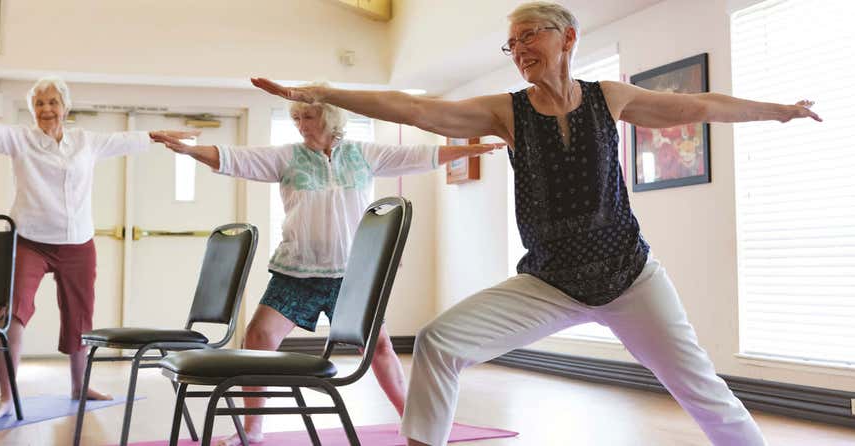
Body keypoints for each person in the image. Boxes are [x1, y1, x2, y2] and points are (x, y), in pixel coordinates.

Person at [249, 2, 822, 445]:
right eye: (512, 41)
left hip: (631, 276)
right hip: (549, 282)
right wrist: (321, 93)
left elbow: (698, 107)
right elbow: (415, 109)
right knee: (439, 341)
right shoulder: (507, 111)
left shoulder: (610, 98)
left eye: (530, 35)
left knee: (699, 388)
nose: (519, 48)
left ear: (567, 37)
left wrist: (779, 110)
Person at [151, 86, 501, 445]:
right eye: (297, 118)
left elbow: (417, 155)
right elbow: (235, 158)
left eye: (310, 116)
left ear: (332, 118)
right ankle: (253, 430)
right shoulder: (287, 157)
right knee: (258, 338)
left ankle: (415, 422)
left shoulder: (363, 154)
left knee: (378, 348)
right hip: (296, 272)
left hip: (351, 278)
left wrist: (472, 148)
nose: (302, 124)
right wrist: (189, 150)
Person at [0, 76, 196, 420]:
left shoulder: (86, 142)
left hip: (77, 242)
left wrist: (162, 136)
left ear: (65, 107)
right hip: (30, 240)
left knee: (80, 317)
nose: (46, 109)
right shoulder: (21, 139)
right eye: (39, 103)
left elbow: (126, 139)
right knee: (11, 314)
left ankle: (79, 386)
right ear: (33, 109)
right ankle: (6, 396)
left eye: (52, 102)